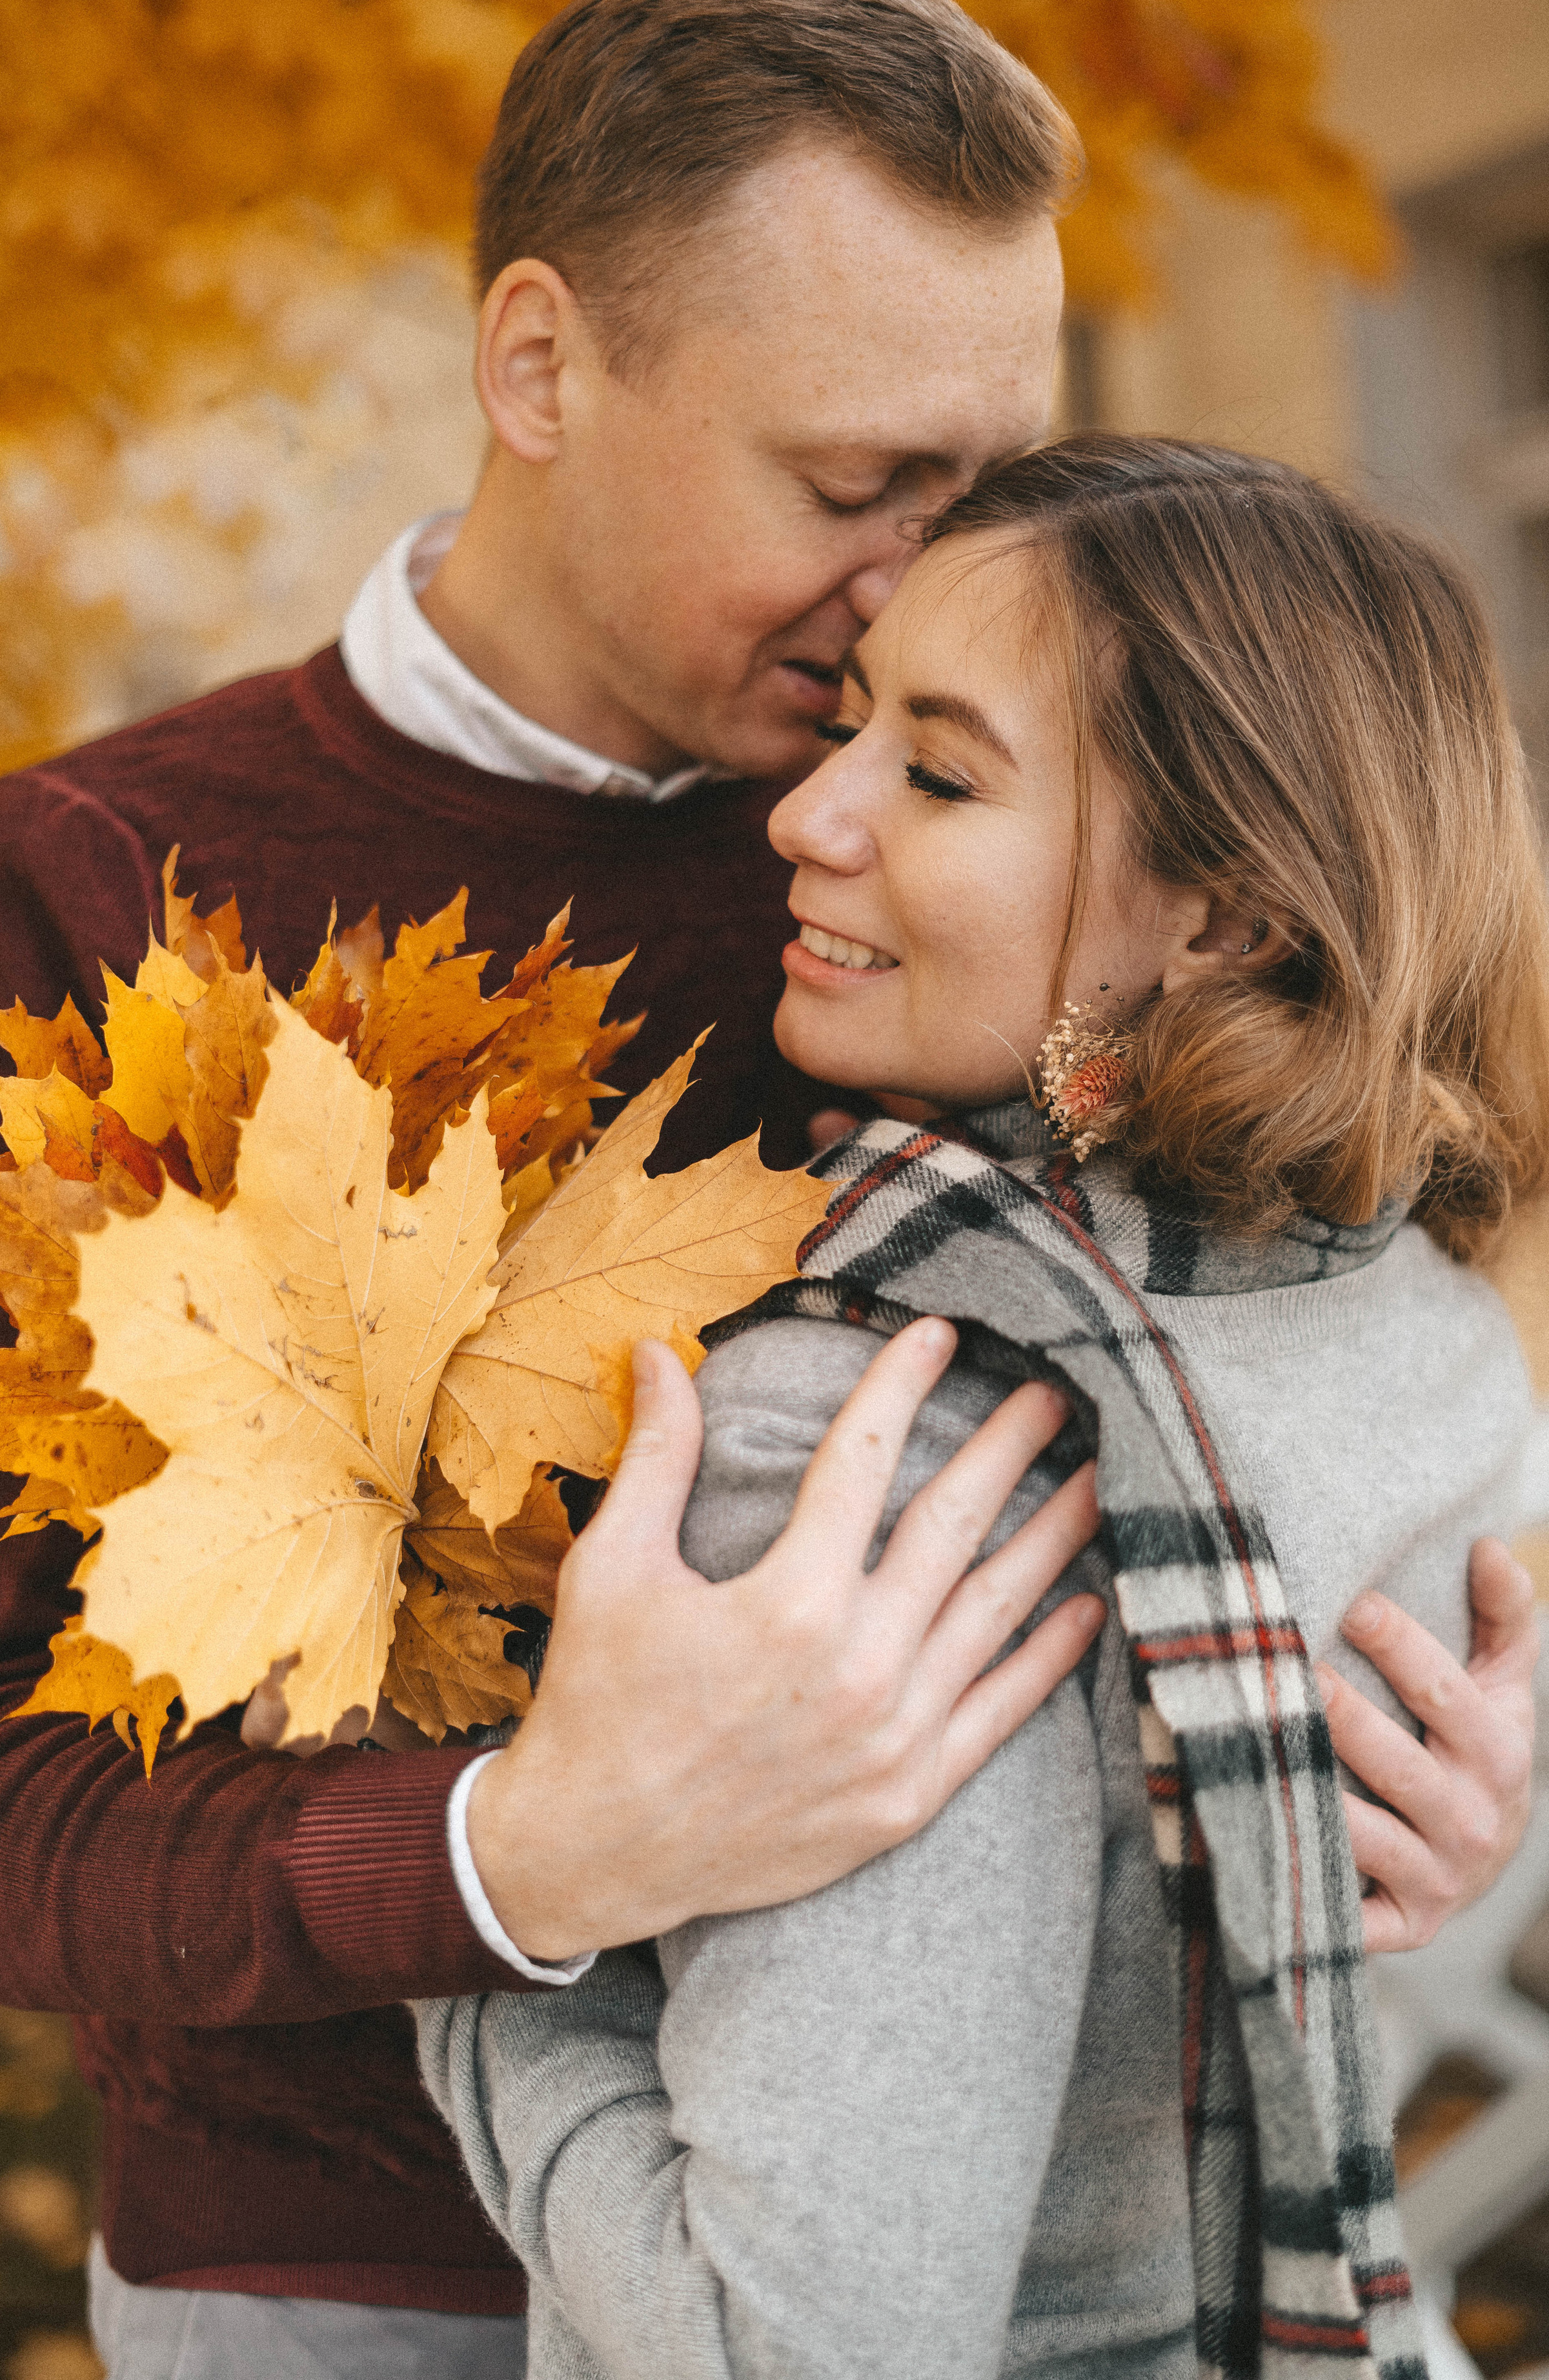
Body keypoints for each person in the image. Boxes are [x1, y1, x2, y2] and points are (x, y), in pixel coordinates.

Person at [0, 0, 1532, 2379]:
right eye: (856, 484)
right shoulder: (103, 889)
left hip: (1014, 2289)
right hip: (347, 2284)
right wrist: (521, 1860)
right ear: (540, 365)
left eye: (993, 480)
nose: (931, 581)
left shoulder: (1006, 864)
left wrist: (1406, 1773)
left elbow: (1285, 1369)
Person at [420, 435, 1549, 2380]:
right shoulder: (1412, 1310)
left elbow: (781, 2351)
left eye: (939, 776)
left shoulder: (873, 1442)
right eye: (848, 724)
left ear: (1224, 921)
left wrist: (486, 1948)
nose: (809, 814)